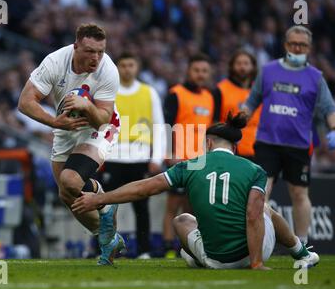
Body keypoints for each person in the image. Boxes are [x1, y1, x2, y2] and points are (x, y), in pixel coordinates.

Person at [71, 112, 319, 270]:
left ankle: (197, 257)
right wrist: (256, 264)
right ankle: (301, 252)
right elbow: (253, 216)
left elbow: (143, 189)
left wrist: (100, 198)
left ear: (208, 143)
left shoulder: (191, 166)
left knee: (182, 219)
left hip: (215, 260)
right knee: (265, 208)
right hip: (252, 255)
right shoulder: (253, 169)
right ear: (235, 146)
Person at [18, 23, 125, 265]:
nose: (95, 58)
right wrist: (55, 122)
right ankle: (108, 236)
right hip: (65, 126)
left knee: (70, 180)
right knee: (67, 194)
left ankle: (105, 204)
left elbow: (102, 121)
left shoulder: (108, 70)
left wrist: (87, 106)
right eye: (89, 51)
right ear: (75, 46)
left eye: (100, 51)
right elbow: (25, 102)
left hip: (99, 127)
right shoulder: (55, 62)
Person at [242, 25, 335, 245]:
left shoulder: (316, 77)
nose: (297, 47)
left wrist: (334, 129)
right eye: (293, 43)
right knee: (261, 193)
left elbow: (329, 109)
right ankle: (259, 242)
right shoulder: (268, 70)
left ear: (309, 48)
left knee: (299, 195)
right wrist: (240, 117)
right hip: (267, 142)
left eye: (302, 45)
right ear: (286, 45)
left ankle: (302, 245)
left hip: (298, 146)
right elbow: (251, 102)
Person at [102, 52, 166, 259]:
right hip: (113, 157)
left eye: (131, 65)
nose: (127, 69)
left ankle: (144, 251)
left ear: (137, 67)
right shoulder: (109, 92)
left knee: (142, 207)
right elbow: (102, 125)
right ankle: (106, 248)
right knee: (106, 207)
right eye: (123, 65)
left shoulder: (149, 92)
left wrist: (156, 159)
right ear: (117, 67)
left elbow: (159, 127)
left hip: (139, 158)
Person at [163, 53, 215, 257]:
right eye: (196, 70)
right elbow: (166, 125)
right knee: (172, 206)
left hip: (201, 160)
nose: (200, 74)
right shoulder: (175, 93)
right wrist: (169, 152)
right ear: (188, 71)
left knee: (192, 208)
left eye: (204, 71)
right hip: (180, 160)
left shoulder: (210, 97)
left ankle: (188, 248)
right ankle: (168, 249)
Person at [214, 49, 260, 160]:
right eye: (238, 63)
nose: (242, 67)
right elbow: (214, 121)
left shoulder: (260, 92)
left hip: (257, 150)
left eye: (246, 63)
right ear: (232, 66)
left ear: (253, 67)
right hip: (230, 151)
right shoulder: (220, 89)